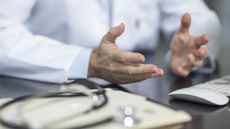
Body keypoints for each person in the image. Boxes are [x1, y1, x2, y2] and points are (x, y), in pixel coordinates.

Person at [0, 0, 221, 84]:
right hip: (49, 82)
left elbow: (198, 18)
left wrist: (193, 50)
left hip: (142, 88)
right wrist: (90, 62)